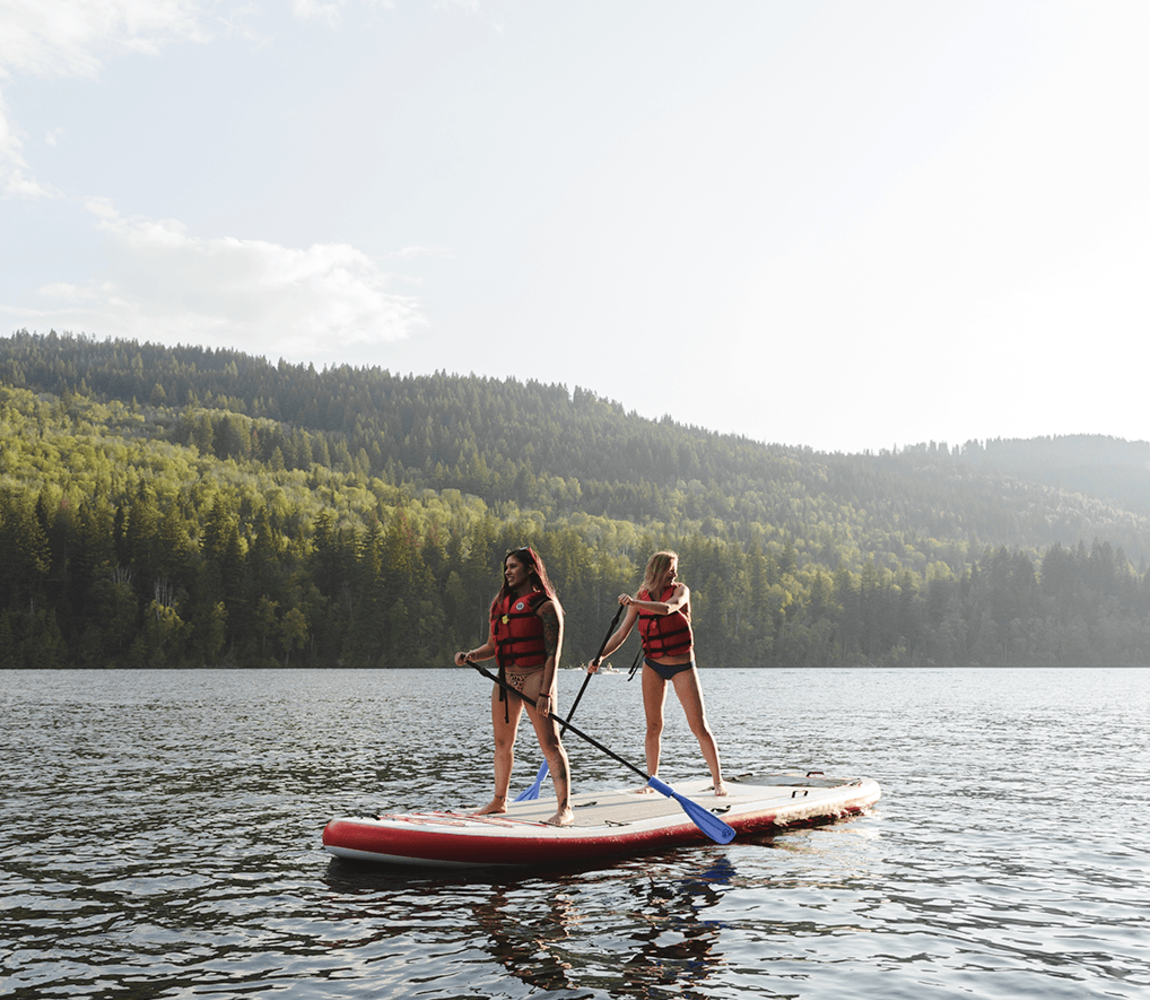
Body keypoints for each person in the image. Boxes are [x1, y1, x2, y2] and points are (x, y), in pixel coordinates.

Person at [588, 550, 727, 797]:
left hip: (682, 665)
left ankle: (718, 781)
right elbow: (621, 634)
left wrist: (635, 603)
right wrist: (600, 657)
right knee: (653, 725)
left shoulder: (680, 591)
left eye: (676, 569)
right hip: (653, 665)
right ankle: (652, 781)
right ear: (657, 571)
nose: (675, 574)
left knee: (698, 725)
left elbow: (668, 609)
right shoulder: (641, 596)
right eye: (670, 569)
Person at [455, 546, 573, 826]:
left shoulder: (546, 605)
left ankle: (564, 808)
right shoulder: (499, 603)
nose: (507, 571)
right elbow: (492, 647)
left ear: (530, 568)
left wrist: (545, 692)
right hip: (506, 678)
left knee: (550, 743)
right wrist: (470, 655)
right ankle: (499, 801)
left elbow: (552, 654)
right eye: (506, 567)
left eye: (513, 566)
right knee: (502, 743)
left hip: (535, 678)